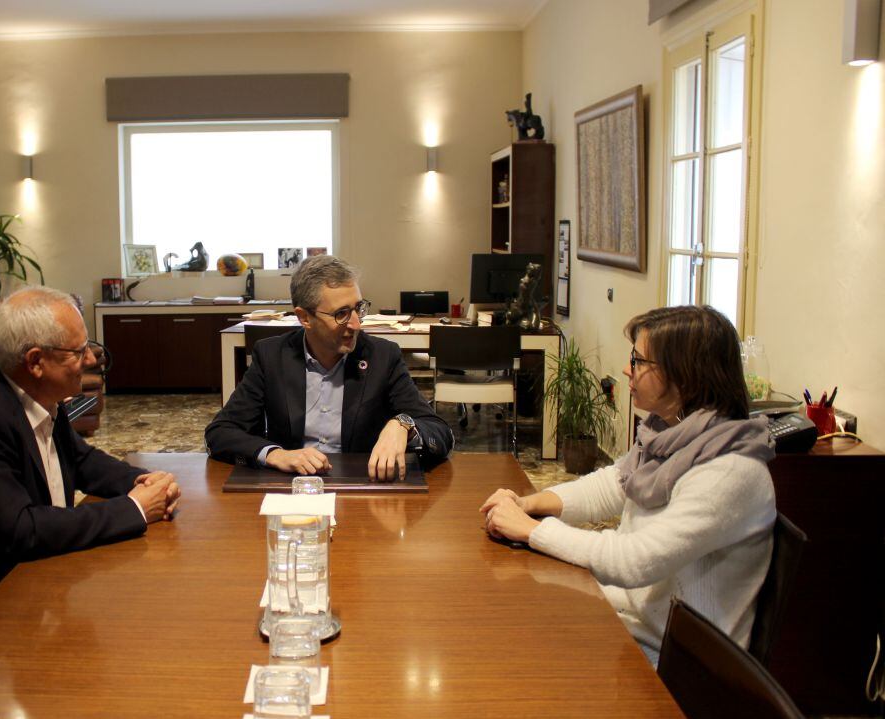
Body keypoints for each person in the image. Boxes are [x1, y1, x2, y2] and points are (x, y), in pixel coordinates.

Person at [479, 305, 776, 664]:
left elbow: (635, 560)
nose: (626, 370)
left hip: (677, 660)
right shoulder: (671, 433)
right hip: (635, 622)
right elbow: (614, 484)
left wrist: (531, 531)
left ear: (685, 376)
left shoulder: (728, 472)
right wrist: (531, 504)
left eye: (638, 361)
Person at [0, 286, 181, 635]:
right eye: (78, 351)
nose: (91, 360)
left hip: (33, 584)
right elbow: (20, 530)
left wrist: (145, 481)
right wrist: (135, 508)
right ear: (36, 362)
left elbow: (82, 461)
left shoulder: (40, 396)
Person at [205, 255, 453, 480]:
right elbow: (220, 432)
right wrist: (276, 455)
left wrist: (404, 424)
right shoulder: (272, 356)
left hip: (362, 488)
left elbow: (441, 433)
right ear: (304, 317)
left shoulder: (382, 356)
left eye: (358, 308)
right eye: (341, 314)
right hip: (290, 490)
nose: (356, 324)